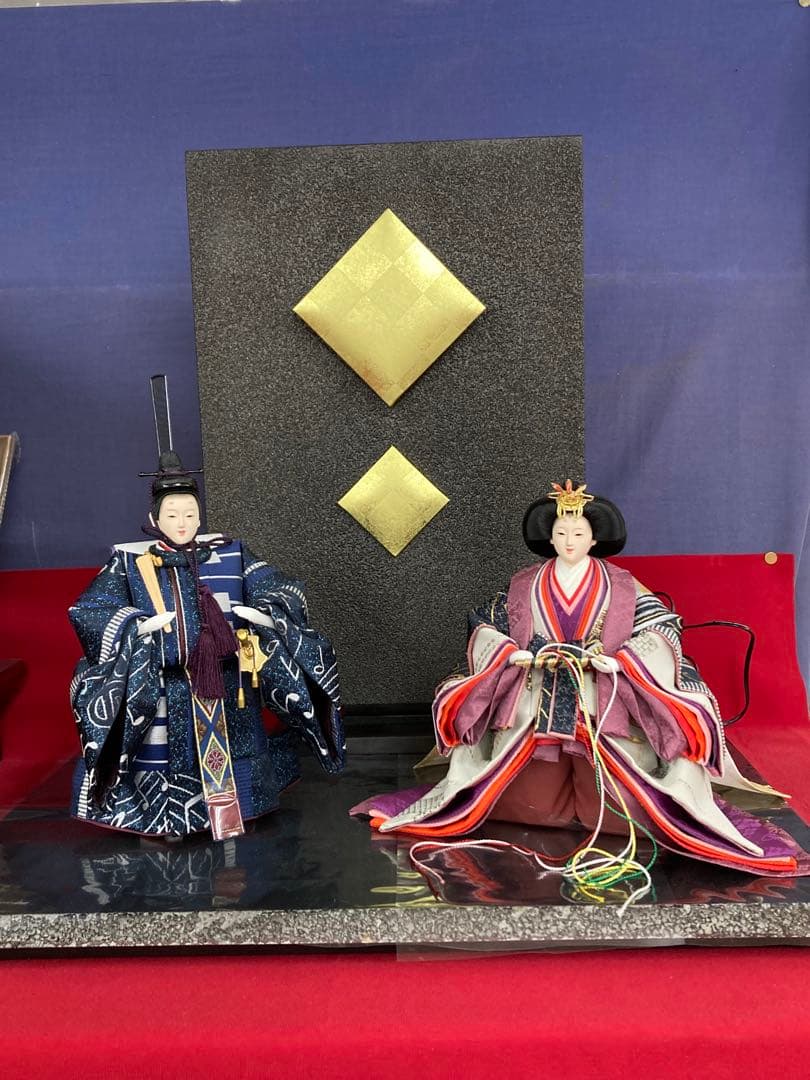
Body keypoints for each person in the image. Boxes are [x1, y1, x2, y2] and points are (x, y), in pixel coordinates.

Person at [353, 481, 805, 877]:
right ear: (549, 537)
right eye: (561, 533)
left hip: (603, 702)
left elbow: (662, 628)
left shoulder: (625, 587)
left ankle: (626, 805)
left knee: (620, 806)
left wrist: (624, 661)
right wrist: (511, 654)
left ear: (594, 538)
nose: (569, 541)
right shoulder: (523, 584)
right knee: (529, 801)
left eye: (579, 533)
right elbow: (485, 625)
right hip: (536, 704)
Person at [69, 451, 344, 840]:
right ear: (154, 520)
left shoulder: (231, 553)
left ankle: (244, 808)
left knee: (239, 747)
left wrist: (267, 614)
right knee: (162, 753)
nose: (182, 523)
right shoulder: (130, 563)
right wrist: (136, 626)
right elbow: (92, 609)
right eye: (172, 515)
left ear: (200, 517)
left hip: (228, 682)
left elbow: (279, 587)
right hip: (164, 686)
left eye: (189, 514)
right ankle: (163, 819)